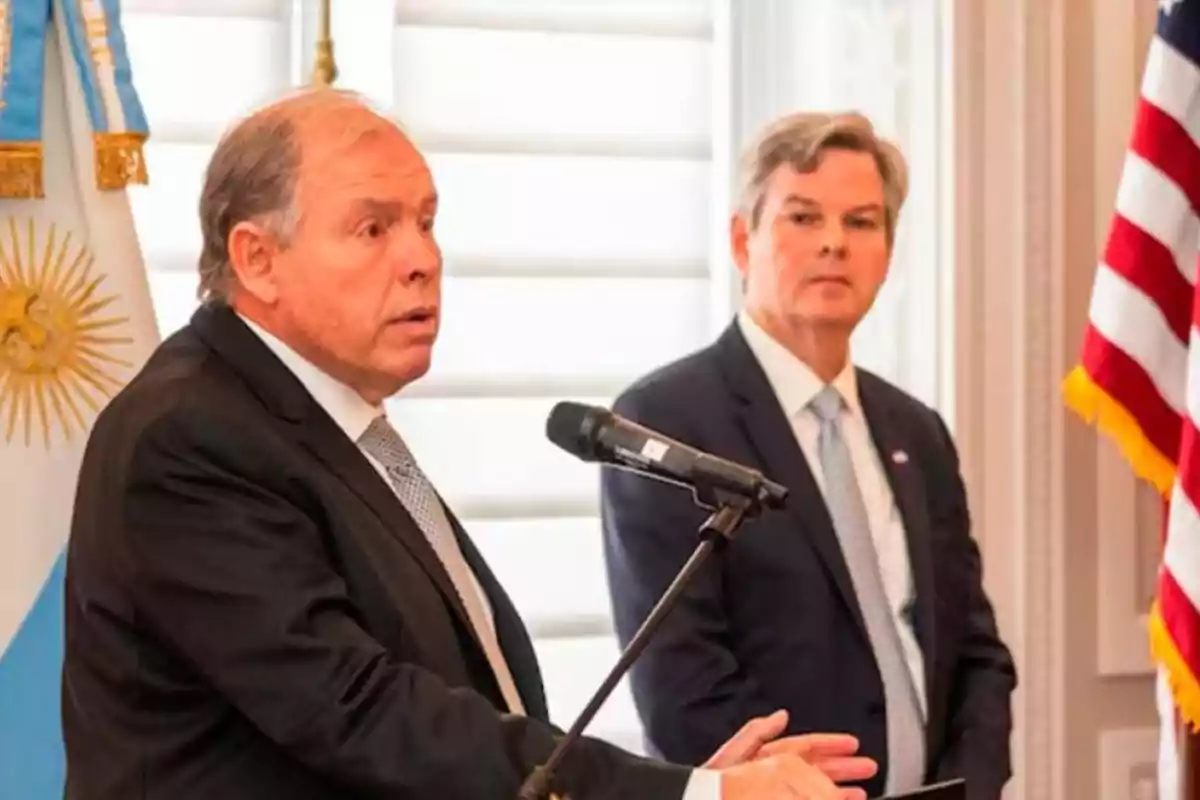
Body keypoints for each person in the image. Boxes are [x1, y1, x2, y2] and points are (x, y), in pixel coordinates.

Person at [60, 89, 879, 800]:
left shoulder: (338, 429)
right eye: (372, 229)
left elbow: (468, 712)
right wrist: (691, 794)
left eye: (425, 222)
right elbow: (364, 713)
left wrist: (682, 790)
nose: (422, 259)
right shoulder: (187, 439)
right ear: (257, 259)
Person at [599, 111, 1017, 800]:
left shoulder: (918, 431)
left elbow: (975, 652)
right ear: (743, 239)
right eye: (802, 218)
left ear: (888, 247)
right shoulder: (666, 421)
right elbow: (679, 685)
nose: (834, 244)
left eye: (861, 222)